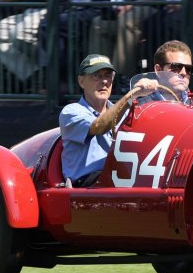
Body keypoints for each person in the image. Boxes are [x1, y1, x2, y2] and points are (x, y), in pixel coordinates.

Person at [59, 54, 158, 186]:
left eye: (108, 75)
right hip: (88, 185)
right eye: (96, 75)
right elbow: (99, 126)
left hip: (121, 179)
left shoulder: (126, 112)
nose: (104, 81)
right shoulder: (71, 111)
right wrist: (132, 95)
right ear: (81, 81)